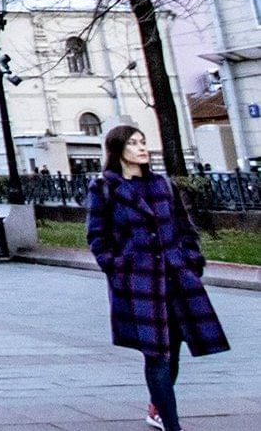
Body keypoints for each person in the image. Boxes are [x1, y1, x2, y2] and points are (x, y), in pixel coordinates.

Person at [87, 125, 228, 431]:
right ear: (118, 150)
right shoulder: (104, 188)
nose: (141, 148)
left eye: (143, 142)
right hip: (140, 284)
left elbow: (185, 227)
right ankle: (172, 424)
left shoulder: (163, 185)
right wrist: (118, 267)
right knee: (157, 355)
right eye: (133, 143)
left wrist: (191, 260)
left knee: (173, 350)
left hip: (177, 278)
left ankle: (156, 407)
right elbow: (97, 237)